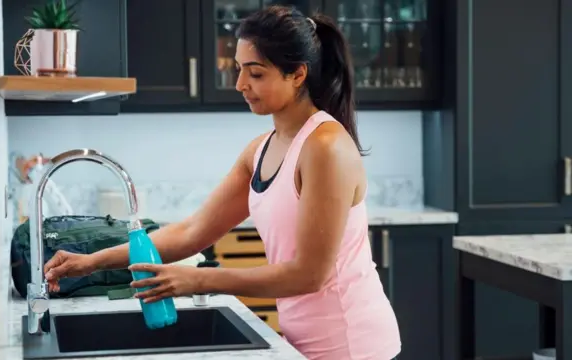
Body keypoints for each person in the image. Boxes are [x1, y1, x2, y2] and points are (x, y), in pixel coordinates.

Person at [43, 5, 401, 360]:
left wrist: (199, 280)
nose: (240, 84)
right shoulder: (260, 150)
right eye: (239, 69)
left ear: (297, 74)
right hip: (301, 341)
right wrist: (92, 261)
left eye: (256, 73)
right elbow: (192, 231)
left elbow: (310, 275)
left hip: (352, 344)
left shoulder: (325, 146)